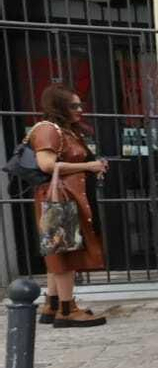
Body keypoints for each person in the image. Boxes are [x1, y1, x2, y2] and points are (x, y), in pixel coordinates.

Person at [27, 84, 110, 327]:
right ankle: (67, 310)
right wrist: (88, 166)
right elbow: (46, 164)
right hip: (57, 198)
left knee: (60, 250)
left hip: (67, 197)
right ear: (59, 106)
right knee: (62, 252)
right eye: (73, 105)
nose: (80, 109)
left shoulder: (65, 130)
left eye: (80, 104)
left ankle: (52, 304)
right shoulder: (47, 129)